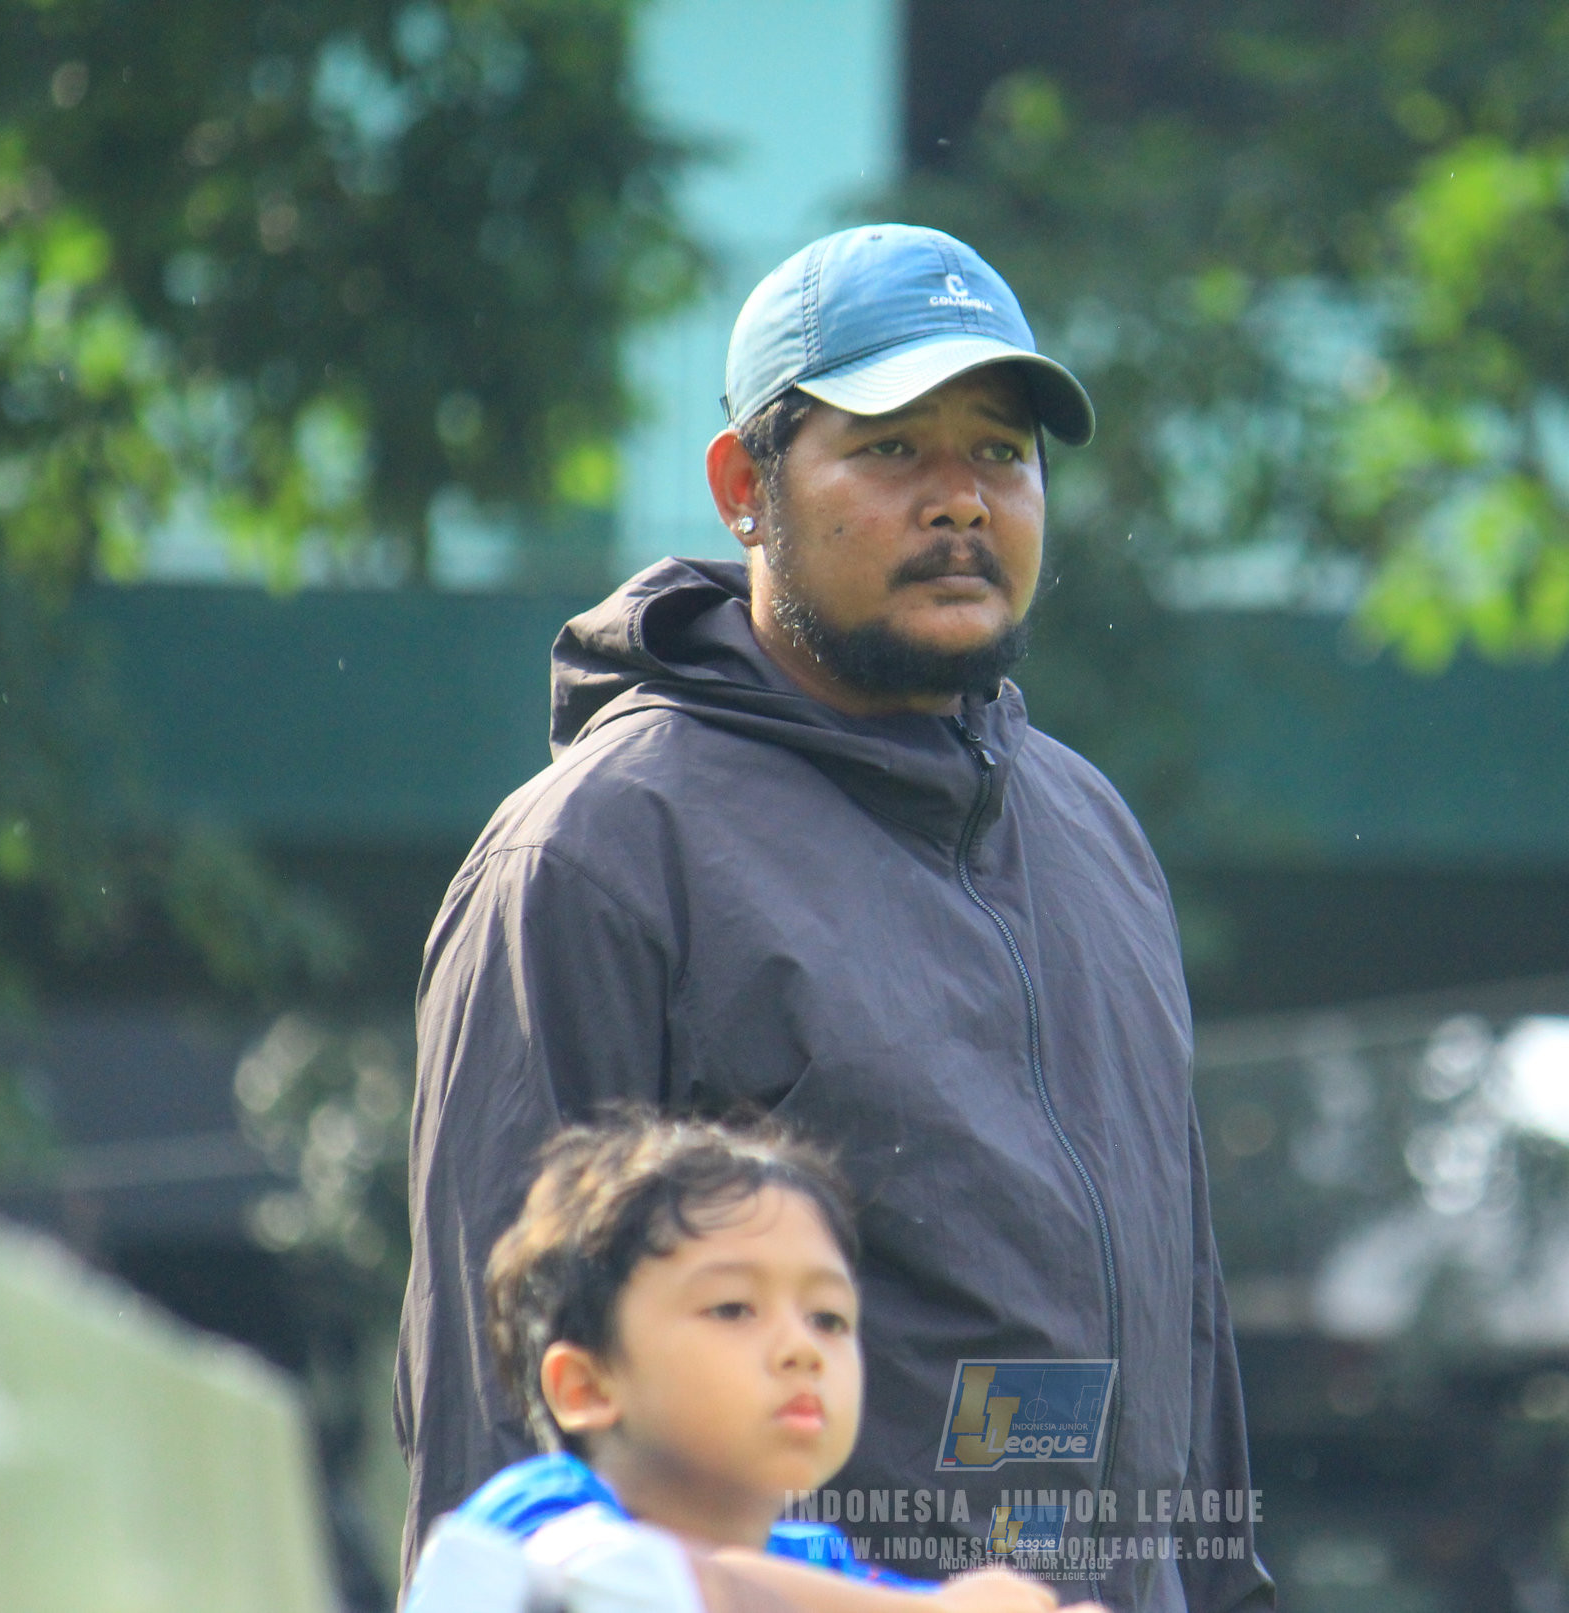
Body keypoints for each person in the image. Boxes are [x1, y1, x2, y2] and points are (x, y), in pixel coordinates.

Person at [399, 223, 1271, 1613]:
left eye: (998, 452)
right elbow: (494, 1428)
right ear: (744, 486)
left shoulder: (1096, 835)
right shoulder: (597, 856)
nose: (961, 502)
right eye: (890, 449)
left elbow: (1188, 1325)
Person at [407, 1111, 1091, 1613]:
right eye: (733, 1307)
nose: (802, 1348)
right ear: (585, 1385)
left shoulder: (821, 1563)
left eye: (828, 1317)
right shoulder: (540, 1512)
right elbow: (629, 1577)